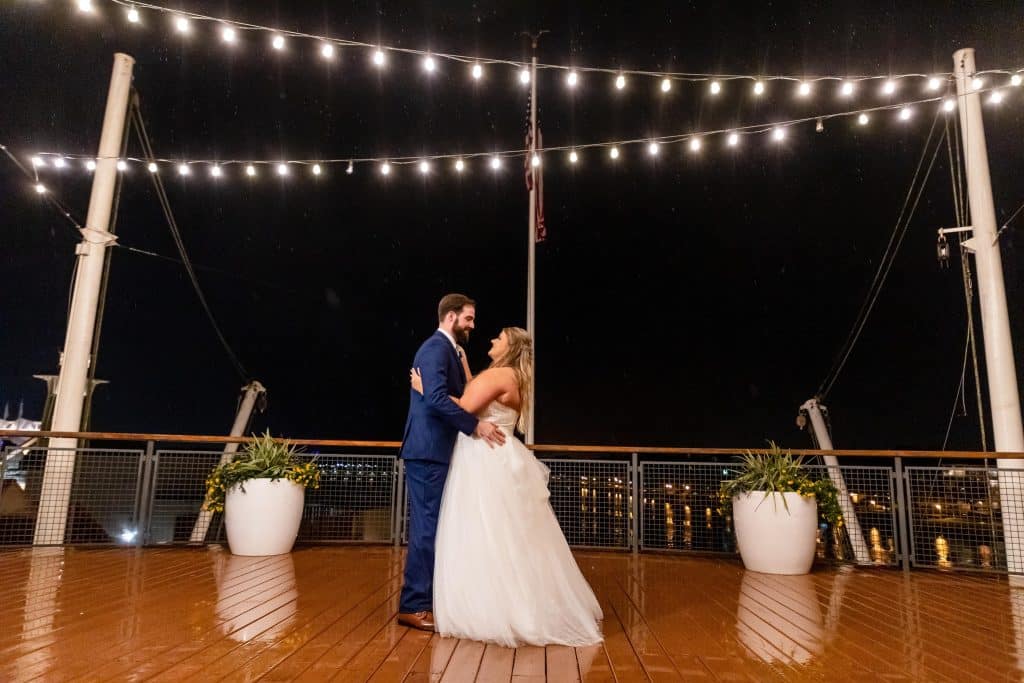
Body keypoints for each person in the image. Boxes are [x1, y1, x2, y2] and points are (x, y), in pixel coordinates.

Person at [410, 327, 603, 647]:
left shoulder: (499, 374)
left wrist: (425, 387)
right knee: (509, 536)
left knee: (482, 531)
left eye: (498, 338)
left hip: (483, 460)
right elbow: (477, 393)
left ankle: (491, 607)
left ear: (510, 346)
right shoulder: (514, 376)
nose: (492, 341)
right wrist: (469, 369)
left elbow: (462, 407)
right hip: (504, 457)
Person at [396, 294, 506, 632]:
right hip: (428, 451)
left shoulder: (452, 352)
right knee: (426, 529)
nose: (472, 325)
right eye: (468, 318)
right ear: (450, 318)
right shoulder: (434, 349)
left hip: (437, 451)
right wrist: (476, 426)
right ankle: (413, 605)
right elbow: (437, 399)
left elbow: (448, 395)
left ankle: (427, 599)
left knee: (434, 527)